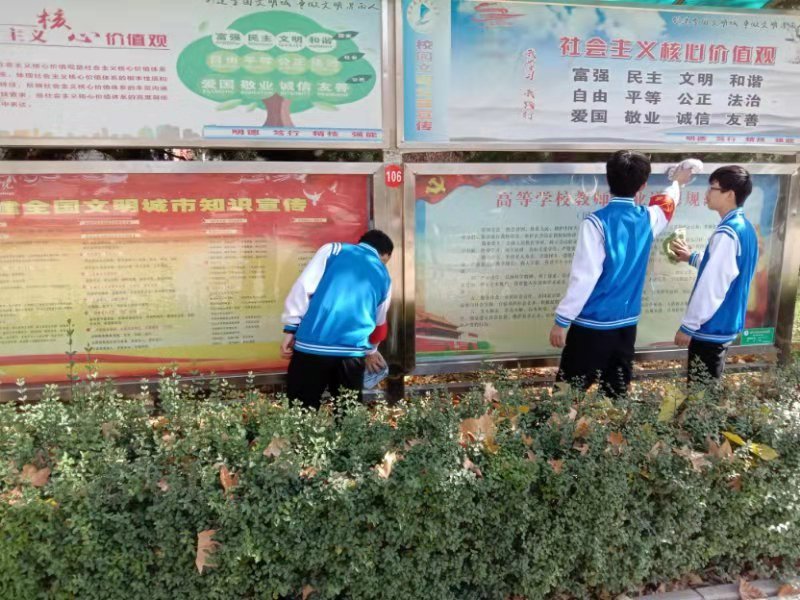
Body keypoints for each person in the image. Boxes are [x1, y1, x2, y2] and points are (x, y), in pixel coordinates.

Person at [549, 151, 698, 397]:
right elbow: (668, 201)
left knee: (567, 393)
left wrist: (562, 320)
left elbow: (584, 277)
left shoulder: (595, 223)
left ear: (608, 179)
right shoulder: (649, 218)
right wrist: (677, 182)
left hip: (591, 324)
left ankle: (559, 421)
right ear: (643, 185)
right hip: (626, 325)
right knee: (615, 391)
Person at [280, 229, 393, 408]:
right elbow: (379, 323)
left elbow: (303, 288)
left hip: (311, 347)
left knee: (301, 409)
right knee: (348, 412)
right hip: (351, 354)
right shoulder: (384, 276)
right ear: (385, 254)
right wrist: (371, 351)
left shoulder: (333, 250)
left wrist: (291, 327)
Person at [670, 166, 758, 384]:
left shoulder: (728, 233)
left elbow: (713, 284)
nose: (707, 193)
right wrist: (691, 257)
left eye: (712, 188)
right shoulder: (744, 227)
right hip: (724, 324)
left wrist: (689, 326)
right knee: (705, 388)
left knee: (701, 392)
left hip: (711, 327)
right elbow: (725, 269)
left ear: (729, 194)